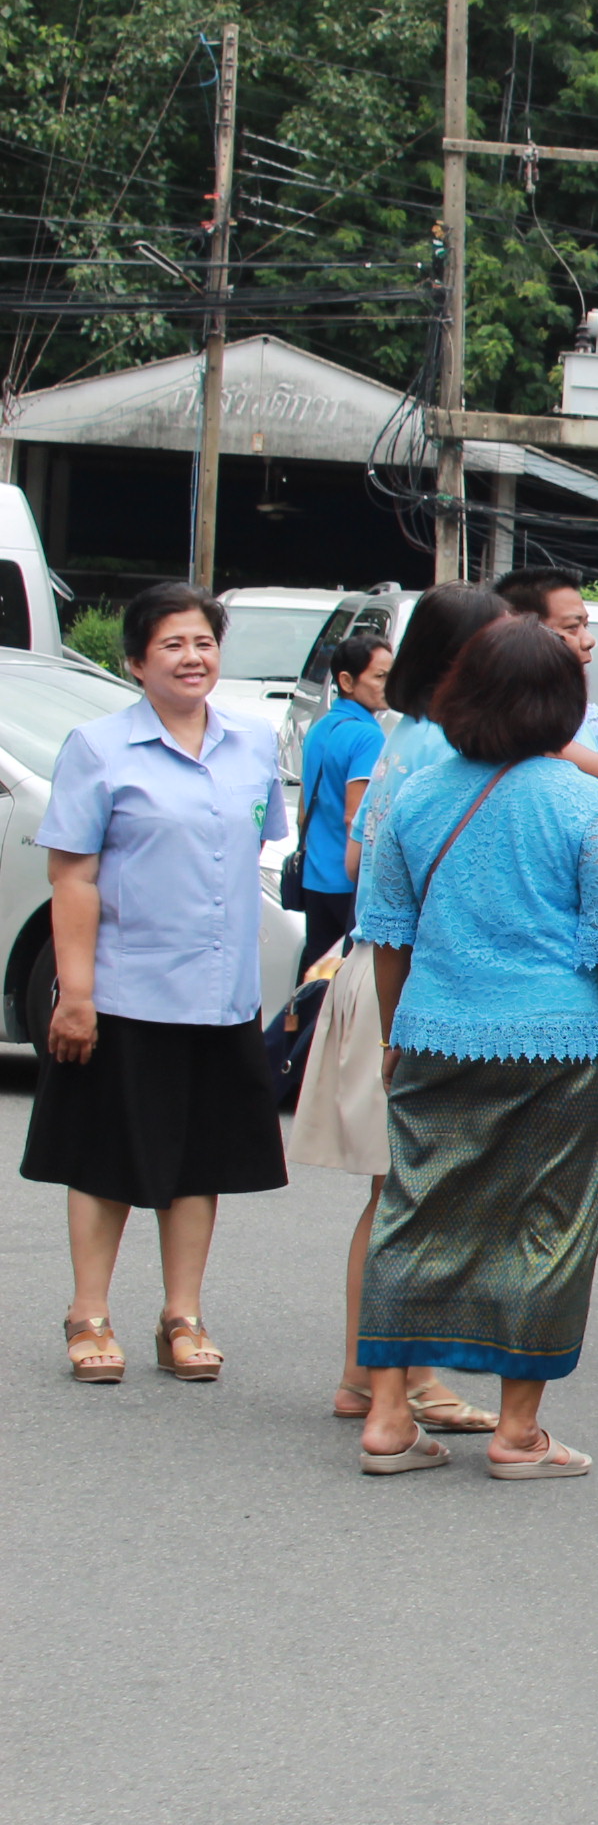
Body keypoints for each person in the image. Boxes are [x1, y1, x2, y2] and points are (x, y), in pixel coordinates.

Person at [349, 618, 598, 1478]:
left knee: (413, 1216)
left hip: (437, 1033)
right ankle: (518, 1433)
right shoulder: (584, 804)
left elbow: (388, 937)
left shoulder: (416, 797)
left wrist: (394, 1035)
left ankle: (387, 1418)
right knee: (548, 1225)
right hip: (560, 1048)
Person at [25, 581, 291, 1385]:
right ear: (136, 663)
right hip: (125, 990)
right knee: (104, 1156)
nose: (192, 657)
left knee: (200, 1160)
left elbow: (248, 855)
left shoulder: (253, 744)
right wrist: (76, 995)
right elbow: (72, 877)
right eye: (172, 644)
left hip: (220, 993)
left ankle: (183, 1314)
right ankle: (89, 1314)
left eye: (204, 642)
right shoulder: (99, 748)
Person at [297, 584, 507, 1435]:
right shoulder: (445, 746)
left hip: (383, 965)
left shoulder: (408, 735)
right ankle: (407, 1380)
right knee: (418, 1197)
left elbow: (360, 859)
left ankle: (369, 1375)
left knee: (399, 1194)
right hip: (410, 978)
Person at [494, 566, 598, 819]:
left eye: (585, 625)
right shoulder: (484, 722)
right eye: (572, 627)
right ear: (521, 633)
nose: (589, 640)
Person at [295, 632, 390, 965]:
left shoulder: (320, 727)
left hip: (314, 876)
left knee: (317, 973)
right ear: (347, 681)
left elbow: (304, 807)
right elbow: (357, 816)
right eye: (380, 676)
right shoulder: (368, 736)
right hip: (346, 881)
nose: (389, 685)